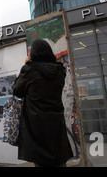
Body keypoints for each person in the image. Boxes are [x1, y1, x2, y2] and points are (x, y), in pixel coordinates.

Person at [12, 39, 74, 167]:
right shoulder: (59, 71)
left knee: (41, 162)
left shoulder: (30, 70)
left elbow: (17, 91)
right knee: (58, 161)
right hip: (56, 124)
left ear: (33, 53)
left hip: (37, 127)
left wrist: (25, 66)